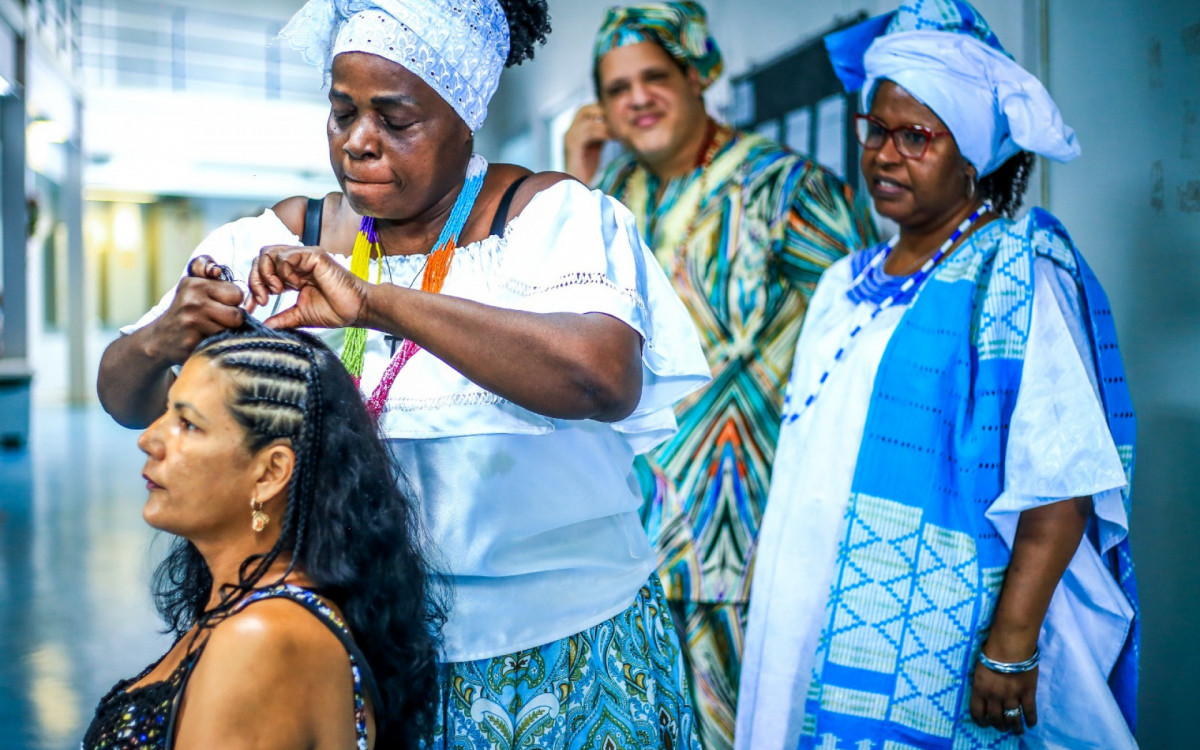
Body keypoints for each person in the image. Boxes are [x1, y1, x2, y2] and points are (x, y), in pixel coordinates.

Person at [96, 1, 712, 747]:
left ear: (463, 117)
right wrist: (168, 331)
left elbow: (601, 376)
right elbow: (122, 395)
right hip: (366, 656)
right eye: (342, 112)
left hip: (571, 652)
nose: (359, 143)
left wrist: (380, 305)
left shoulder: (553, 219)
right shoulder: (282, 239)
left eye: (396, 119)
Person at [736, 2, 1139, 749]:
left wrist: (1011, 643)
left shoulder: (1014, 276)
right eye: (876, 130)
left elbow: (1064, 480)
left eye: (916, 136)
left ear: (974, 154)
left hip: (938, 632)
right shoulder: (839, 283)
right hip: (807, 600)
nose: (885, 155)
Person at [562, 3, 877, 747]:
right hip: (627, 543)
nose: (636, 99)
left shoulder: (787, 189)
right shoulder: (613, 203)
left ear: (699, 73)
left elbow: (862, 344)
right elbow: (561, 338)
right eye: (615, 88)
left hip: (744, 539)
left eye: (655, 76)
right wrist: (576, 185)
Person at [84, 324, 443, 749]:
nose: (149, 439)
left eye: (188, 424)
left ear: (270, 472)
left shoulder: (261, 637)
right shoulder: (256, 608)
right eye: (165, 412)